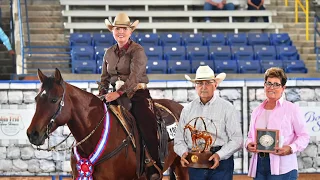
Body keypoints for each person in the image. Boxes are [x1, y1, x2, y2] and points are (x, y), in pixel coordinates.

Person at [98, 13, 162, 180]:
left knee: (145, 120)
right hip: (112, 94)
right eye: (117, 28)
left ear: (130, 31)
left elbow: (134, 77)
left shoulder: (137, 50)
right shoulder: (108, 53)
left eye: (124, 29)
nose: (120, 32)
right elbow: (104, 78)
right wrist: (101, 94)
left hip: (136, 93)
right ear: (112, 31)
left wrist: (119, 93)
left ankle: (152, 163)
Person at [174, 65, 243, 180]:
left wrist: (219, 155)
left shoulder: (227, 108)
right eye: (200, 83)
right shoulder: (187, 110)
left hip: (221, 163)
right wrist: (184, 153)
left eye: (208, 83)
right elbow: (179, 140)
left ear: (215, 85)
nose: (204, 87)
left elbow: (237, 140)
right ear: (195, 86)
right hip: (195, 161)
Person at [246, 67, 310, 179]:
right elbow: (250, 136)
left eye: (276, 84)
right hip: (259, 165)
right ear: (264, 85)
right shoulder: (257, 111)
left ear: (283, 88)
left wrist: (290, 148)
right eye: (269, 83)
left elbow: (304, 136)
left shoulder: (292, 109)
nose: (271, 87)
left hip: (283, 167)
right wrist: (248, 144)